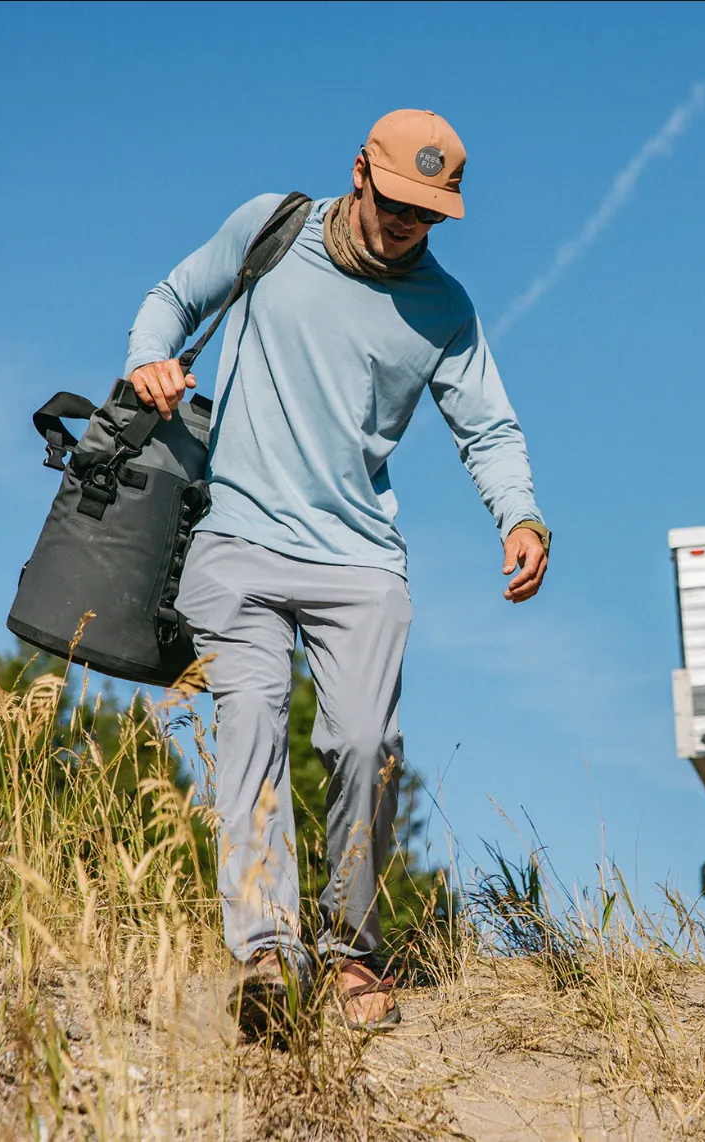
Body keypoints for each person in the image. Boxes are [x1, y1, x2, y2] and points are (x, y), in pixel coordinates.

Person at [124, 109, 549, 1032]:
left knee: (365, 747)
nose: (408, 225)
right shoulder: (271, 228)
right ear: (359, 173)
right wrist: (148, 358)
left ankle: (353, 951)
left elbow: (489, 426)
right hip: (235, 539)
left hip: (359, 561)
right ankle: (269, 954)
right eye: (397, 202)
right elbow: (173, 296)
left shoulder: (445, 309)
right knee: (251, 732)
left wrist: (520, 515)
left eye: (428, 213)